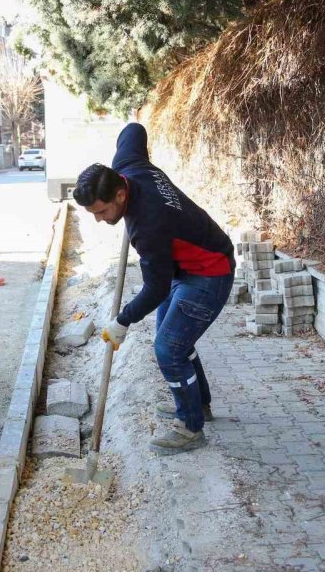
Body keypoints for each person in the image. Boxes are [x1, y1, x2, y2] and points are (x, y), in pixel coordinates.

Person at [73, 122, 235, 455]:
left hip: (210, 271)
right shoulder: (128, 167)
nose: (99, 220)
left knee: (168, 349)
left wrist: (122, 320)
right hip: (188, 267)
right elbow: (133, 130)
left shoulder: (148, 227)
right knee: (173, 337)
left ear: (120, 194)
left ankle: (191, 427)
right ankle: (198, 404)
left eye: (102, 211)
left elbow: (156, 288)